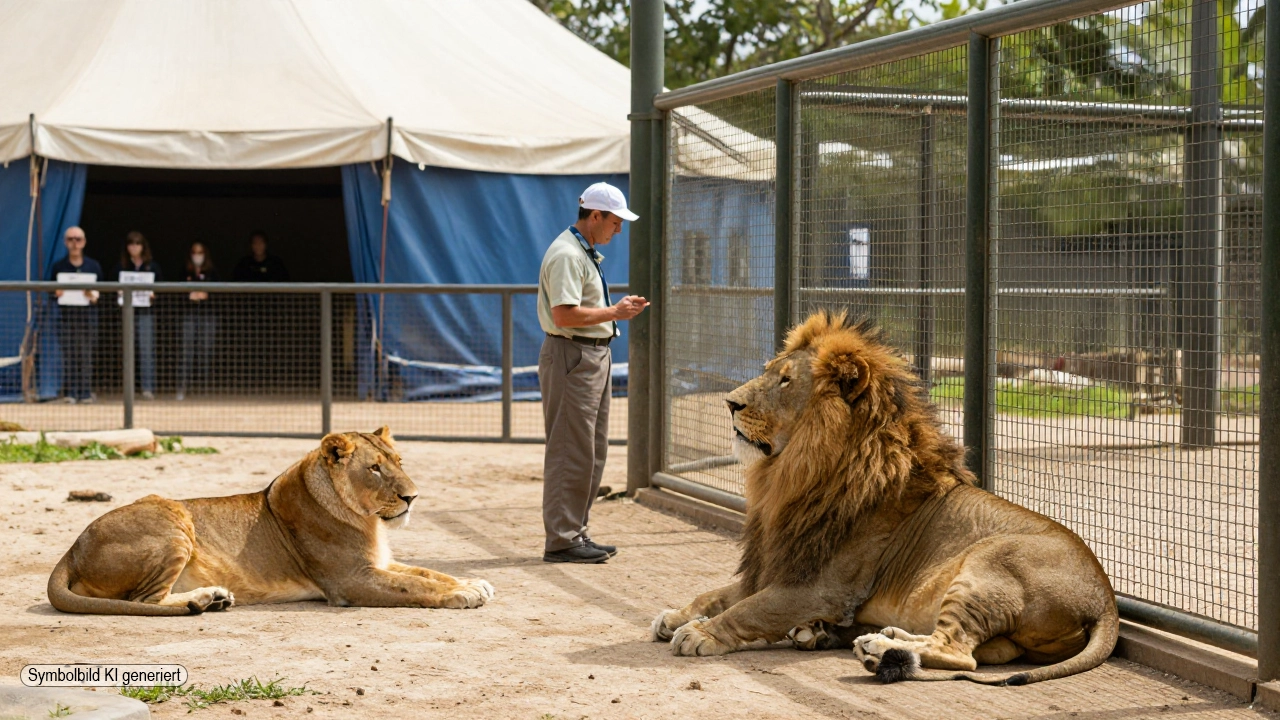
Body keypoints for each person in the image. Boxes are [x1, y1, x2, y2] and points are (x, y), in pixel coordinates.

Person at [537, 182, 648, 564]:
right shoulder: (568, 254)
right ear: (595, 215)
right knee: (572, 449)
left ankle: (574, 532)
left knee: (590, 449)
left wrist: (613, 313)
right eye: (615, 222)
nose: (618, 230)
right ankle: (563, 538)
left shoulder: (583, 251)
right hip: (574, 355)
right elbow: (564, 315)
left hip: (589, 355)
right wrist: (615, 313)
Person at [49, 227, 102, 404]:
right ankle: (70, 392)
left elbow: (101, 293)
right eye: (71, 239)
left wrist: (92, 296)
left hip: (87, 318)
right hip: (66, 317)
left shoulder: (93, 266)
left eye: (78, 239)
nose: (74, 243)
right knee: (69, 355)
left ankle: (85, 392)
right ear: (65, 242)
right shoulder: (59, 267)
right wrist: (56, 292)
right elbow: (51, 291)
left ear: (84, 242)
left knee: (86, 355)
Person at [117, 231, 162, 400]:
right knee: (128, 350)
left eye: (137, 243)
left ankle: (147, 387)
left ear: (143, 246)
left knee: (146, 350)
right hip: (127, 312)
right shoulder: (121, 267)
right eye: (131, 243)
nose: (134, 247)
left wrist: (154, 295)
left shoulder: (153, 267)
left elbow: (161, 289)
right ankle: (129, 387)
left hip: (146, 313)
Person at [177, 242, 217, 401]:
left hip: (208, 316)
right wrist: (188, 296)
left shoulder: (212, 272)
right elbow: (177, 292)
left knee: (206, 351)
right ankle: (182, 387)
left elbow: (218, 293)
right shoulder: (184, 271)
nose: (197, 255)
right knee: (186, 352)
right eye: (194, 252)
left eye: (200, 252)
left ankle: (204, 388)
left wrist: (207, 295)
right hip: (189, 315)